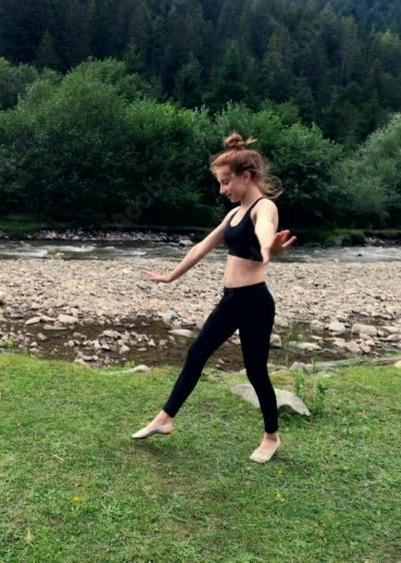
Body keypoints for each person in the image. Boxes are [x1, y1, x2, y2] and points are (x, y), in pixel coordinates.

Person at [136, 132, 296, 464]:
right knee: (196, 354)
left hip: (255, 303)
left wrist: (270, 249)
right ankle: (165, 418)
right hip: (230, 301)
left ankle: (271, 436)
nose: (222, 190)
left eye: (226, 183)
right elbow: (201, 247)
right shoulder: (234, 214)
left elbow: (267, 229)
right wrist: (171, 275)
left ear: (246, 177)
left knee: (255, 372)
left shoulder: (263, 207)